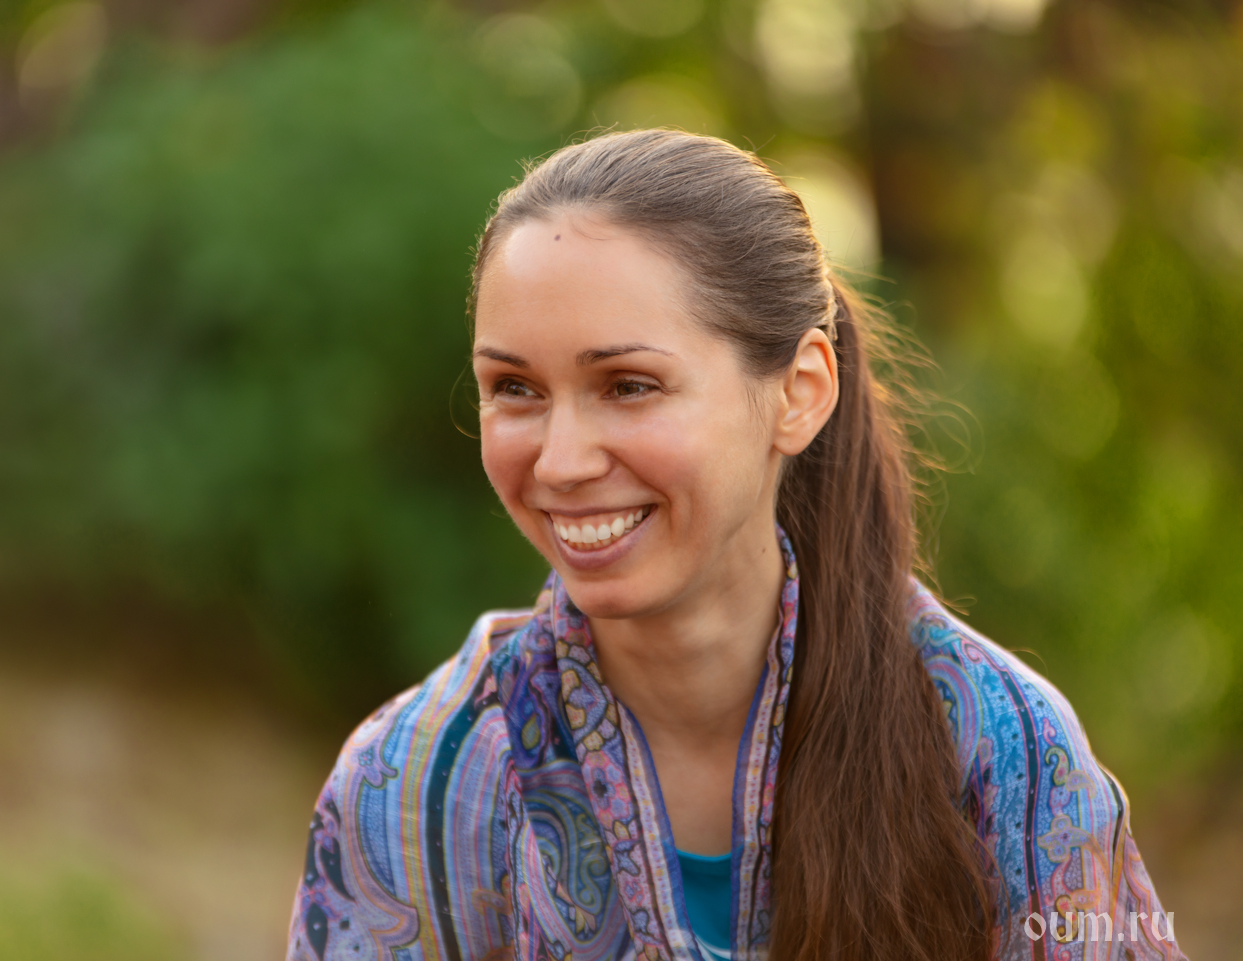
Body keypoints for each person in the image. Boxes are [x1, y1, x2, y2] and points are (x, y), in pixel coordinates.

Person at [284, 130, 1182, 961]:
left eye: (629, 385)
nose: (559, 461)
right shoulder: (418, 784)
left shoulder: (1000, 748)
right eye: (514, 388)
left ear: (799, 393)